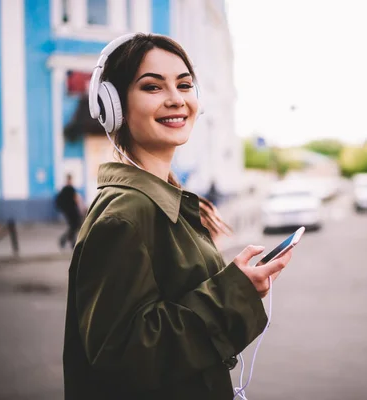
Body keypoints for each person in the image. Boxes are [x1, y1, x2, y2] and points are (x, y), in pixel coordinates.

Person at [63, 33, 294, 400]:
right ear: (114, 106)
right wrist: (234, 294)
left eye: (184, 84)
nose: (176, 99)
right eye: (152, 86)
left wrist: (241, 284)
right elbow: (123, 356)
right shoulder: (123, 218)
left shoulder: (165, 203)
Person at [55, 174, 83, 249]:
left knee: (73, 226)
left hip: (67, 211)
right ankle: (64, 240)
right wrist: (80, 209)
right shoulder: (70, 188)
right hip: (72, 211)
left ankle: (70, 242)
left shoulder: (64, 189)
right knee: (75, 225)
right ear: (70, 179)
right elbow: (76, 200)